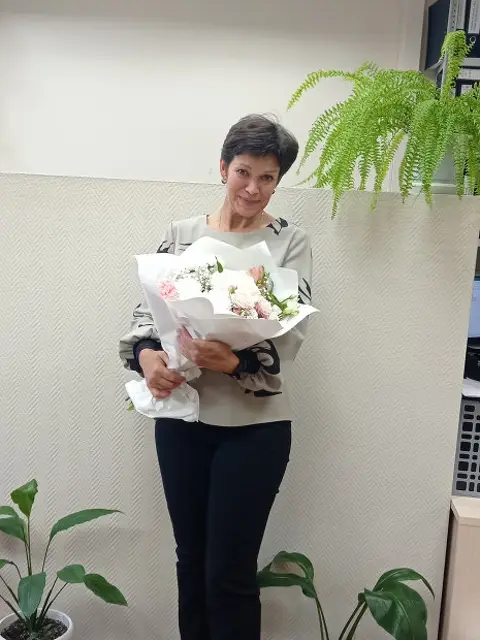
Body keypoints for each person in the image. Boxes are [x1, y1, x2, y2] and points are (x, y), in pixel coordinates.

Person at [119, 114, 312, 640]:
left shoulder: (289, 242)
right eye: (244, 172)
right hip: (183, 421)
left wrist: (235, 362)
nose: (253, 188)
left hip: (255, 428)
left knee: (230, 572)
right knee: (191, 561)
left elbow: (292, 330)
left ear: (278, 181)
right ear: (224, 167)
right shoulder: (181, 235)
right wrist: (149, 359)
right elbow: (147, 315)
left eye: (267, 177)